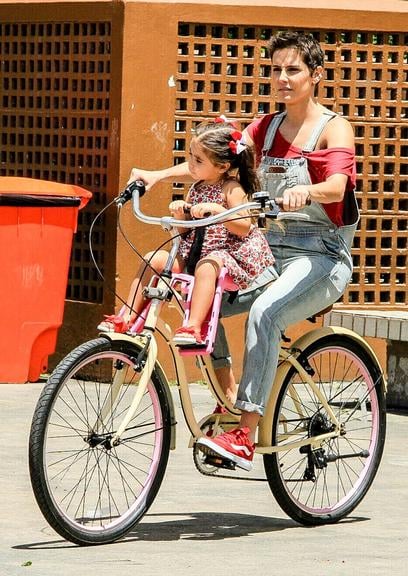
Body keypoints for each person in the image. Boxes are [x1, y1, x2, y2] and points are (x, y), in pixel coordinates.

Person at [127, 31, 359, 471]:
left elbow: (337, 186)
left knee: (264, 314)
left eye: (293, 70)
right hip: (267, 253)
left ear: (316, 76)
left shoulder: (334, 127)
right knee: (197, 292)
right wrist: (157, 175)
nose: (283, 78)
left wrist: (305, 191)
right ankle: (228, 398)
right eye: (276, 70)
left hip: (322, 255)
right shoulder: (266, 127)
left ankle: (245, 434)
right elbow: (217, 159)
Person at [99, 119, 274, 351]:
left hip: (227, 258)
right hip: (194, 252)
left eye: (198, 160)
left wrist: (219, 211)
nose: (190, 164)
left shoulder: (231, 188)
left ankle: (192, 326)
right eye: (190, 155)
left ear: (221, 166)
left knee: (206, 265)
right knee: (155, 258)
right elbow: (185, 233)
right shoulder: (197, 187)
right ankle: (127, 316)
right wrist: (181, 216)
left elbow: (244, 226)